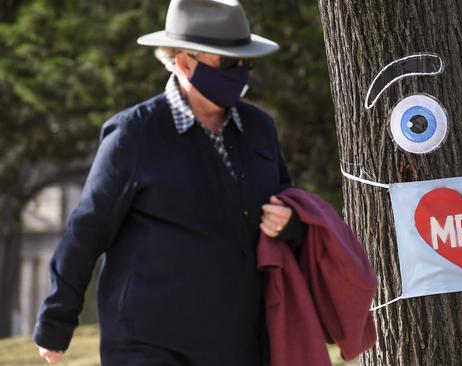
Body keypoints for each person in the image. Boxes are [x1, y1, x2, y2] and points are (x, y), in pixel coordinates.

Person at [32, 0, 306, 364]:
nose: (240, 72)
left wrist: (292, 226)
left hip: (238, 342)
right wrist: (56, 319)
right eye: (227, 62)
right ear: (183, 62)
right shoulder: (134, 133)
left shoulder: (259, 129)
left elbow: (286, 206)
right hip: (150, 341)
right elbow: (87, 229)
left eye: (246, 62)